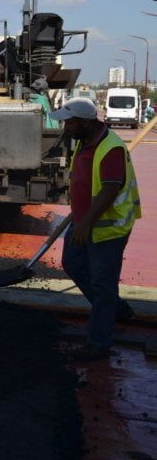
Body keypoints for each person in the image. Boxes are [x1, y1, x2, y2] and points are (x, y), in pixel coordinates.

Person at [49, 97, 140, 361]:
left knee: (102, 284)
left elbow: (110, 189)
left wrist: (86, 222)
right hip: (83, 220)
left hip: (107, 228)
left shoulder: (110, 147)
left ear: (86, 122)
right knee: (73, 264)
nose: (66, 127)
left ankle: (98, 343)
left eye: (70, 122)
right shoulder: (85, 142)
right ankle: (116, 309)